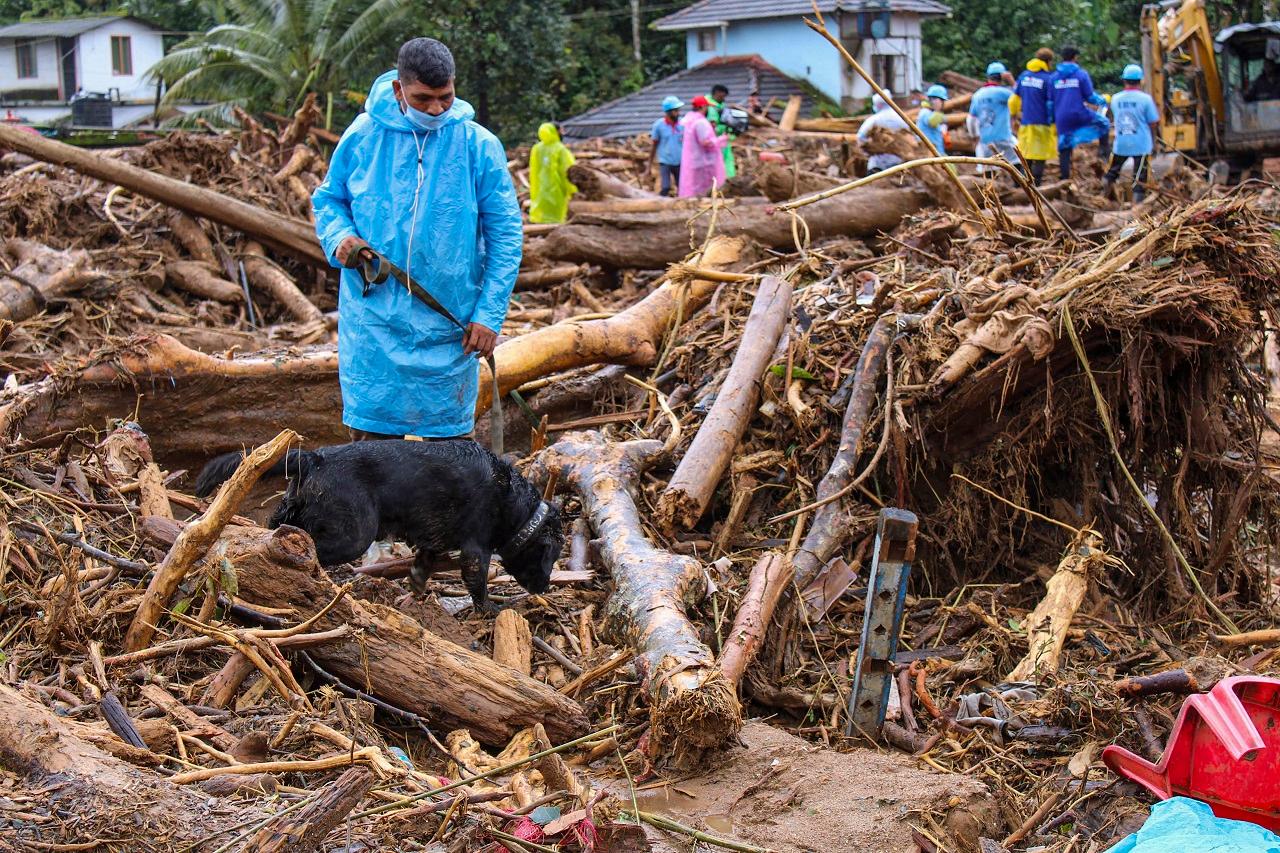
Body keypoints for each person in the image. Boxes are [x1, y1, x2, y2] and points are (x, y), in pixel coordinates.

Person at [312, 37, 522, 441]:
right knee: (372, 455)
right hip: (373, 320)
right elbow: (329, 199)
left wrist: (489, 314)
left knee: (450, 459)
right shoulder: (363, 136)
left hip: (451, 322)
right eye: (423, 98)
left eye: (446, 96)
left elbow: (506, 235)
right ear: (398, 89)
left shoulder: (479, 146)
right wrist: (339, 236)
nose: (437, 108)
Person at [1053, 45, 1110, 180]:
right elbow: (1090, 97)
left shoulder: (1054, 77)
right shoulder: (1081, 74)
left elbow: (1050, 101)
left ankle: (1064, 179)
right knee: (1104, 124)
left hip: (1061, 117)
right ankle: (1103, 156)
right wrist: (1103, 100)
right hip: (1079, 113)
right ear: (1075, 57)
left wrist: (1052, 119)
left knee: (1064, 146)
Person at [1105, 64, 1160, 203]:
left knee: (1111, 173)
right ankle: (1137, 208)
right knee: (1140, 179)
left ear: (1124, 80)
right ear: (1140, 81)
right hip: (1141, 145)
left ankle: (1102, 199)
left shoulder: (1116, 99)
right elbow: (1153, 121)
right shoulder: (1145, 99)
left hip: (1121, 143)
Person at [1011, 47, 1056, 185]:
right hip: (1042, 123)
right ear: (1048, 61)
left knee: (1026, 154)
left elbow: (1013, 100)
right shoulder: (1048, 79)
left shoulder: (1024, 76)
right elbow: (1050, 104)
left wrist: (1013, 115)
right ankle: (1036, 186)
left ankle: (1020, 184)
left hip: (1026, 122)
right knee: (1040, 156)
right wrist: (1053, 121)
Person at [969, 61, 1018, 175]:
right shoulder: (1005, 93)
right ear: (1002, 77)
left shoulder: (978, 95)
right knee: (1017, 162)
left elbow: (970, 119)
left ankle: (990, 191)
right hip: (1003, 137)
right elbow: (1020, 96)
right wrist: (1011, 81)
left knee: (988, 169)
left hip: (985, 140)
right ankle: (1020, 189)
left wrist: (974, 136)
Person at [679, 95, 727, 196]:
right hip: (703, 162)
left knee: (694, 186)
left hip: (693, 160)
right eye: (707, 107)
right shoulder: (701, 122)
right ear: (703, 107)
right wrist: (720, 139)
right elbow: (705, 142)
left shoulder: (688, 120)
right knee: (703, 189)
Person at [528, 122, 576, 224]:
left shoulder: (537, 149)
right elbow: (569, 171)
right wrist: (573, 190)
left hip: (540, 190)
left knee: (542, 218)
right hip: (557, 191)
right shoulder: (561, 149)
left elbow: (533, 171)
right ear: (556, 131)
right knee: (556, 219)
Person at [857, 93, 909, 173]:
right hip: (898, 161)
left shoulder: (874, 120)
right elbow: (909, 136)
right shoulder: (901, 118)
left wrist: (868, 149)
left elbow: (860, 137)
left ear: (879, 105)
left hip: (878, 162)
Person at [648, 95, 684, 197]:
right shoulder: (659, 125)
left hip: (679, 160)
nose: (678, 113)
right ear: (668, 112)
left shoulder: (682, 125)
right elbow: (654, 145)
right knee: (665, 186)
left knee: (681, 186)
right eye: (675, 110)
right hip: (665, 161)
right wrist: (649, 165)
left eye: (678, 110)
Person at [706, 83, 737, 179]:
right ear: (717, 93)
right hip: (712, 142)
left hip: (721, 141)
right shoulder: (708, 107)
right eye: (722, 96)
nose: (724, 99)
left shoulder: (721, 106)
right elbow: (711, 128)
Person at [917, 84, 948, 153]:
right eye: (942, 101)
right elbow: (932, 122)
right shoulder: (925, 112)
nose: (943, 104)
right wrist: (938, 110)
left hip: (937, 153)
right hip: (928, 154)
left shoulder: (932, 113)